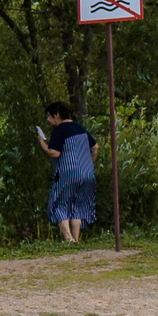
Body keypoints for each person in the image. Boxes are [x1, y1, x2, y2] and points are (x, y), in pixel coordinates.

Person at [41, 102, 97, 244]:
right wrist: (88, 165)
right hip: (87, 173)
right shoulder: (80, 128)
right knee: (78, 206)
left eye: (49, 116)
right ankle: (76, 239)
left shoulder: (60, 130)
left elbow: (53, 152)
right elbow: (95, 147)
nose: (48, 120)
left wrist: (41, 141)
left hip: (68, 173)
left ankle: (68, 239)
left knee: (59, 203)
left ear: (57, 115)